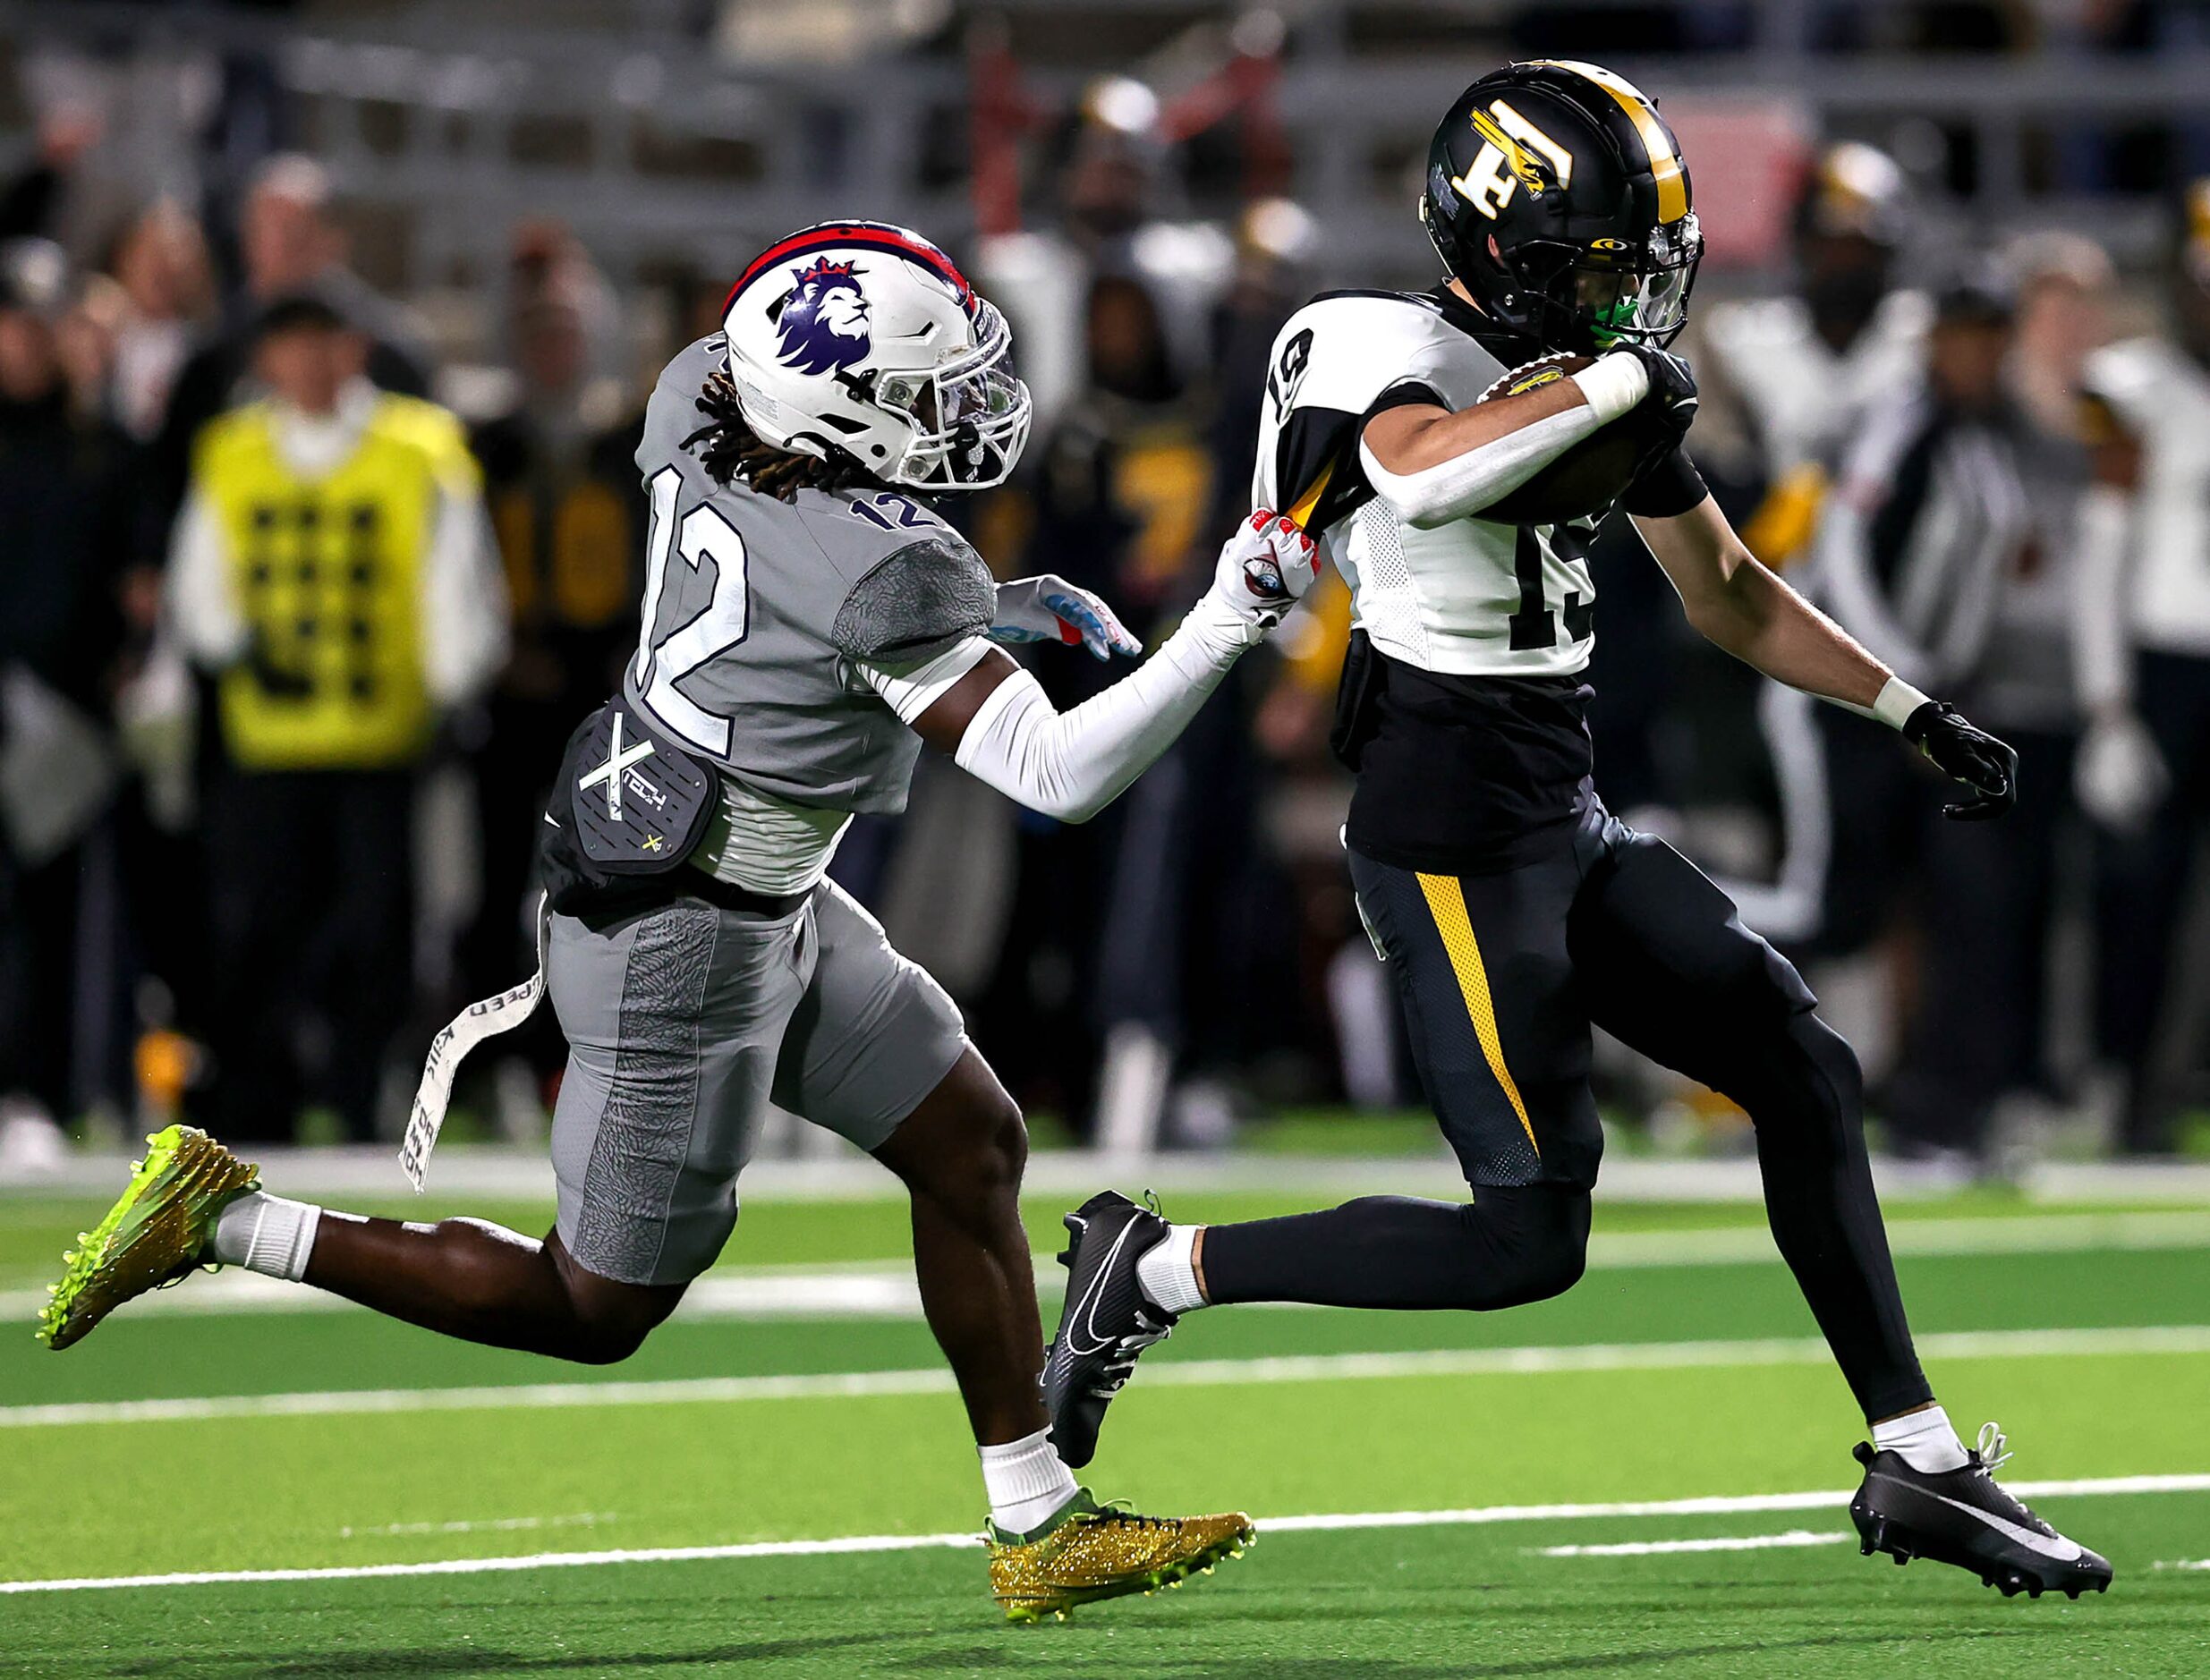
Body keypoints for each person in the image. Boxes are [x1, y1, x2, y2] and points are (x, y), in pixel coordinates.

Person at [44, 221, 1318, 1622]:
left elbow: (787, 597)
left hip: (738, 873)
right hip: (684, 935)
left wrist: (1000, 607)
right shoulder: (885, 566)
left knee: (970, 1142)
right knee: (593, 1306)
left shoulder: (696, 397)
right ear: (831, 405)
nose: (954, 415)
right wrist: (1223, 621)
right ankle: (224, 1219)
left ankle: (1036, 1519)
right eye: (920, 389)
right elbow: (1056, 772)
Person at [1041, 63, 2111, 1601]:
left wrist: (1906, 709)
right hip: (1444, 836)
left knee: (1802, 1064)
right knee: (1525, 1241)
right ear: (1496, 242)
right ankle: (1146, 1268)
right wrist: (1610, 383)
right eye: (1602, 266)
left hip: (1564, 809)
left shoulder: (1580, 370)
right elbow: (1421, 474)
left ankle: (1922, 1457)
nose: (1632, 302)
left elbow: (1729, 589)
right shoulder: (1372, 342)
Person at [164, 293, 506, 1141]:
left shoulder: (418, 448)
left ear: (352, 352)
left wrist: (450, 681)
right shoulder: (231, 453)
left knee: (377, 928)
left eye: (324, 345)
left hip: (381, 740)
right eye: (291, 347)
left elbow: (455, 581)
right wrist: (233, 645)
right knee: (260, 926)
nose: (309, 365)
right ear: (266, 360)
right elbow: (198, 591)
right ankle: (262, 1096)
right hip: (269, 741)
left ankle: (360, 1094)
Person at [2070, 180, 2210, 1154]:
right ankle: (2127, 1093)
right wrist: (2107, 706)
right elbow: (2099, 551)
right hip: (2165, 668)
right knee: (2141, 896)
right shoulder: (2127, 386)